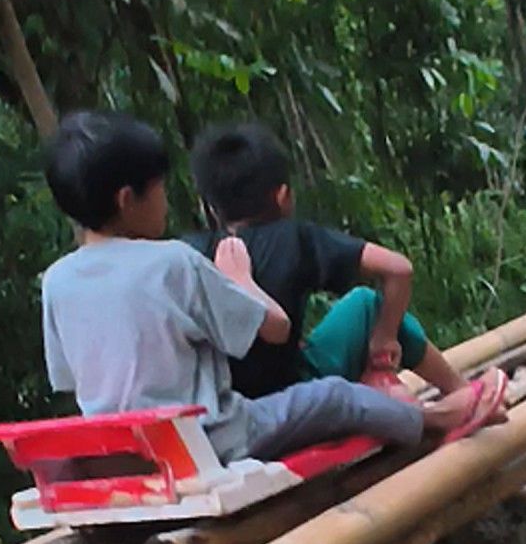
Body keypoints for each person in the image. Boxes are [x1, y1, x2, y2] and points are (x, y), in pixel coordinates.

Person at [39, 111, 505, 466]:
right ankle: (439, 416)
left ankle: (445, 404)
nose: (165, 199)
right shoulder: (171, 262)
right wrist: (241, 281)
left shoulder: (58, 280)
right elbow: (276, 328)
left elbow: (70, 380)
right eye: (159, 188)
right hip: (211, 438)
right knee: (334, 397)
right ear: (128, 199)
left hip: (124, 453)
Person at [184, 122, 470, 404]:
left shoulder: (189, 253)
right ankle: (460, 389)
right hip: (294, 394)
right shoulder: (295, 238)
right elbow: (399, 269)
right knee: (365, 304)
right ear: (283, 196)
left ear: (210, 208)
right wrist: (384, 338)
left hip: (225, 407)